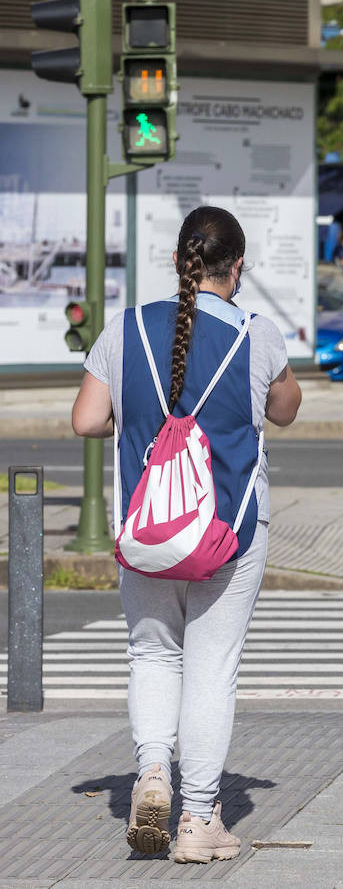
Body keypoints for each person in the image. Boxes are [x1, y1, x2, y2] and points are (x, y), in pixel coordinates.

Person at [71, 205, 302, 864]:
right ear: (238, 268)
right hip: (230, 530)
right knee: (210, 667)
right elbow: (284, 411)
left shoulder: (126, 330)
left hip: (148, 530)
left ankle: (151, 773)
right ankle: (198, 818)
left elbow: (88, 419)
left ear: (178, 262)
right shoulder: (257, 335)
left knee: (152, 655)